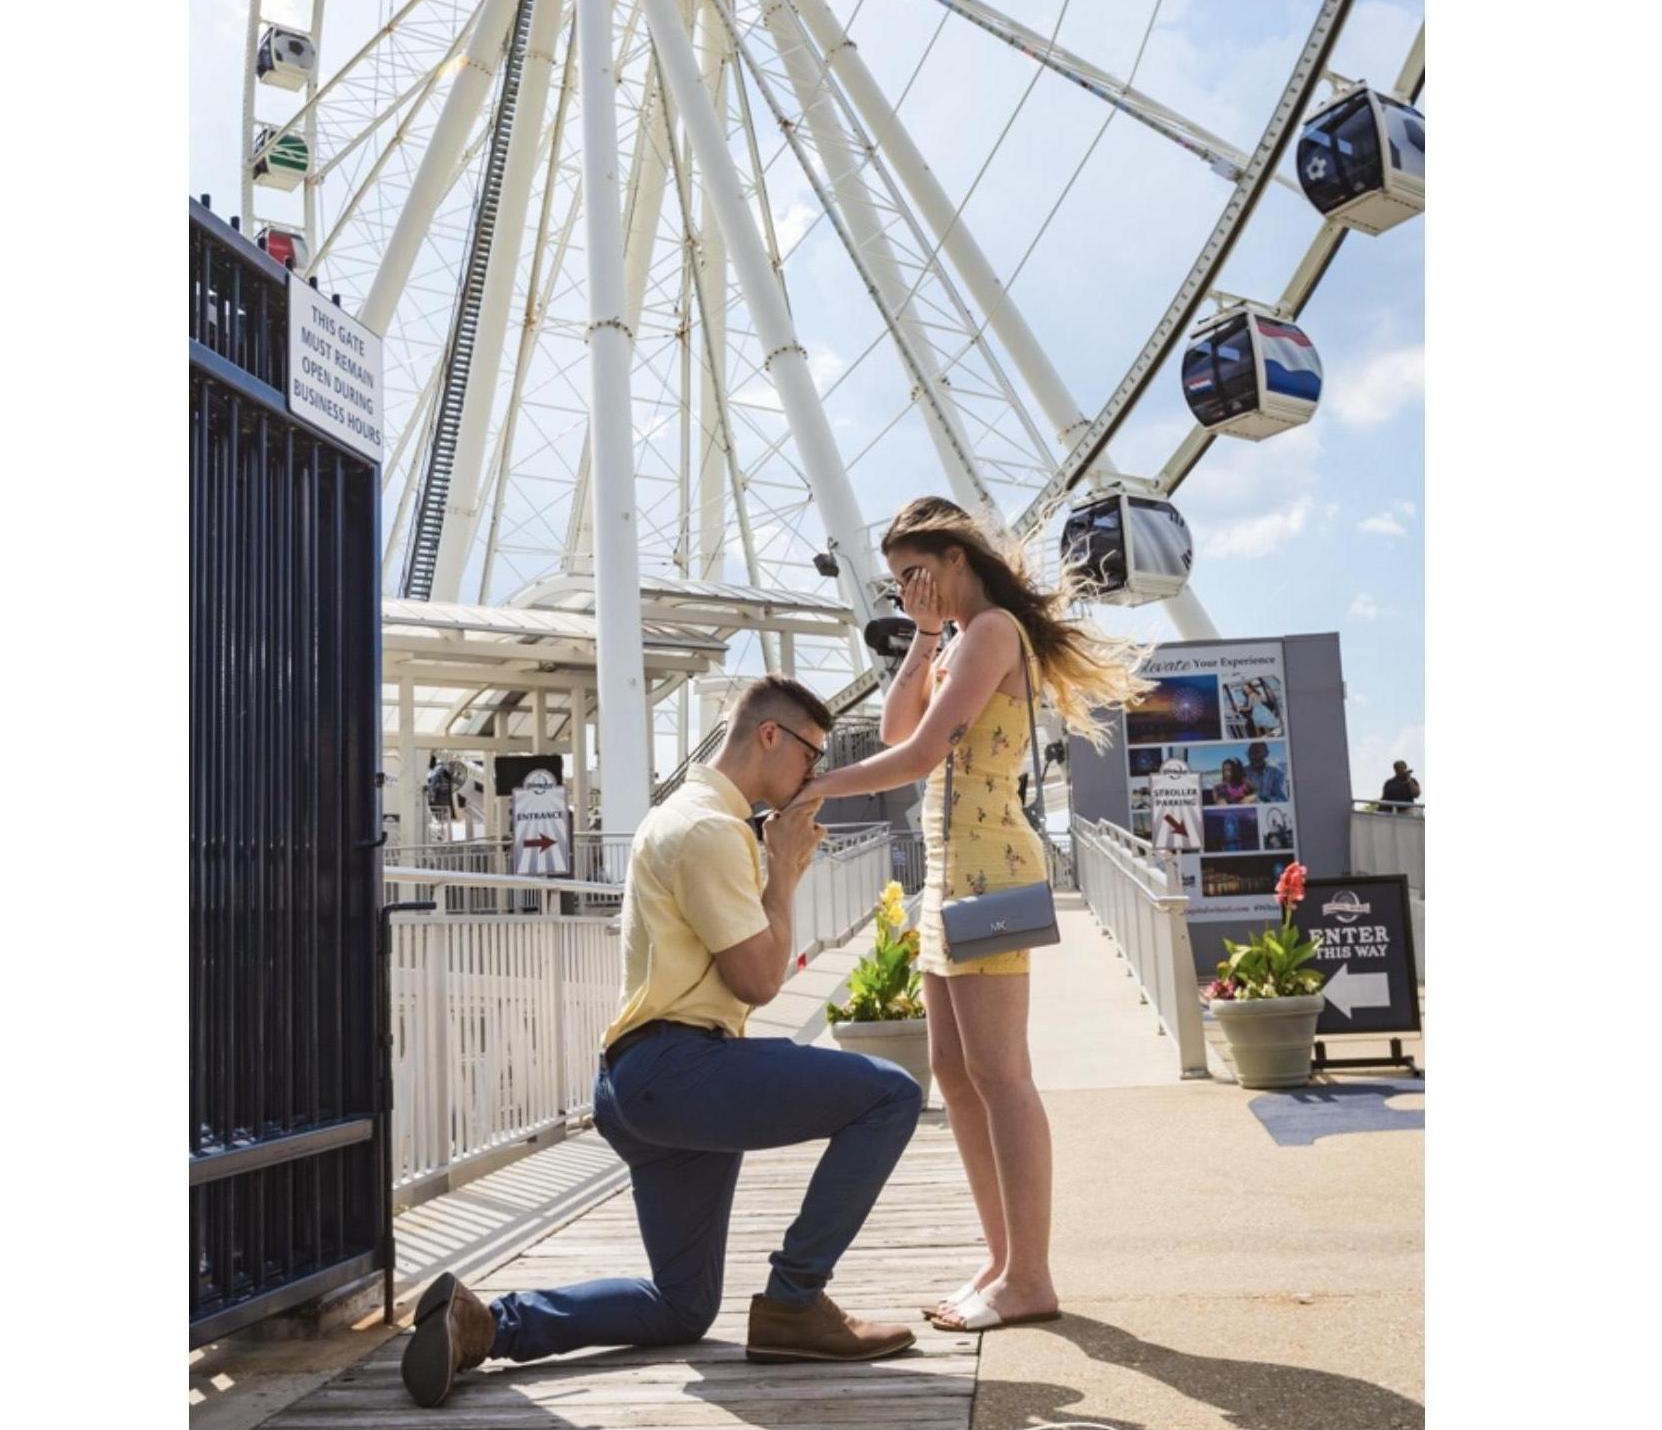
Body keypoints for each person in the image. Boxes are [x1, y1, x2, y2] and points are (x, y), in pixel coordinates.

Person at [400, 678, 924, 1408]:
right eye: (812, 754)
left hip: (638, 1078)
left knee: (683, 1306)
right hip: (681, 1068)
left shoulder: (680, 814)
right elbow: (759, 981)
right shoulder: (711, 830)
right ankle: (795, 1301)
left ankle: (485, 1325)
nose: (818, 774)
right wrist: (784, 874)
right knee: (890, 1096)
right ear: (769, 737)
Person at [790, 497, 1149, 1335]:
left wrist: (815, 787)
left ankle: (1031, 1274)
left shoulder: (990, 632)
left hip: (990, 869)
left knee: (1001, 1075)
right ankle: (1001, 1262)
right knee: (953, 1074)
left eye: (917, 574)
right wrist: (919, 638)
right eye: (898, 584)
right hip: (950, 872)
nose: (911, 591)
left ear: (956, 558)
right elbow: (899, 723)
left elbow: (914, 757)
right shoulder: (955, 636)